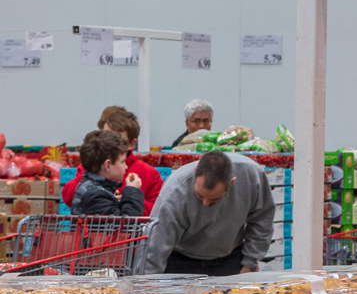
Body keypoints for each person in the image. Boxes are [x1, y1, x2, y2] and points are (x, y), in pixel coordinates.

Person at [143, 151, 276, 275]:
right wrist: (148, 285)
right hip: (180, 260)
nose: (205, 203)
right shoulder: (175, 192)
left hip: (230, 259)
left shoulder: (251, 176)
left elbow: (262, 219)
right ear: (196, 172)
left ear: (231, 182)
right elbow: (156, 245)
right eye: (200, 196)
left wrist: (250, 262)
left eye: (214, 199)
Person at [61, 107, 164, 215]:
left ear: (131, 144)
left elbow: (159, 210)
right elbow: (69, 197)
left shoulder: (150, 174)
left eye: (117, 137)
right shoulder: (89, 167)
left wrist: (125, 200)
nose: (108, 141)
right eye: (105, 134)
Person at [70, 130, 144, 217]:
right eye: (122, 161)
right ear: (107, 165)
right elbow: (127, 225)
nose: (126, 166)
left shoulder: (93, 189)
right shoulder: (95, 197)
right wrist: (132, 190)